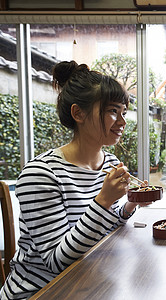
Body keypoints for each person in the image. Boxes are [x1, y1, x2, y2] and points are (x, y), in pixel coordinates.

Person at [1, 61, 147, 299]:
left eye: (124, 112)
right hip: (41, 292)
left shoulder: (109, 161)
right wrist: (103, 201)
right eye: (112, 111)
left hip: (90, 281)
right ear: (78, 113)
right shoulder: (41, 174)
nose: (122, 122)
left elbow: (104, 227)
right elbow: (56, 262)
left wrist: (130, 203)